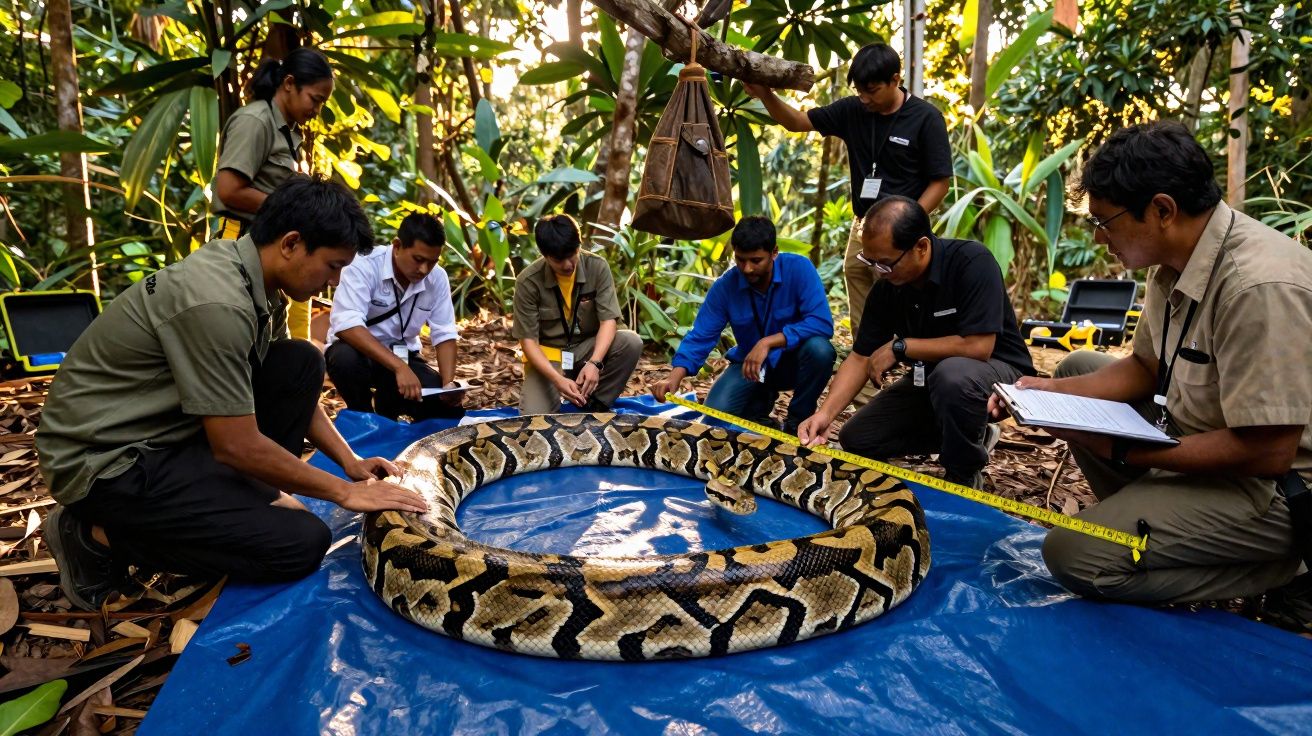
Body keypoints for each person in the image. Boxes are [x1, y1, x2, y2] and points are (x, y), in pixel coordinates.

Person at [37, 177, 428, 611]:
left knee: (300, 361)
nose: (334, 281)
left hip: (168, 433)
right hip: (106, 462)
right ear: (291, 243)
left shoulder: (255, 279)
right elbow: (235, 444)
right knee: (299, 543)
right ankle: (95, 537)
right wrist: (343, 492)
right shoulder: (218, 304)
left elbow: (285, 389)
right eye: (332, 266)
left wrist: (349, 463)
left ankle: (237, 498)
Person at [985, 121, 1312, 617]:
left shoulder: (1257, 287)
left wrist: (1124, 451)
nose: (1100, 237)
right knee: (1076, 369)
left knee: (1074, 554)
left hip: (1281, 488)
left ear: (1162, 210)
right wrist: (1044, 389)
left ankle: (1292, 570)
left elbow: (1268, 450)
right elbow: (1144, 366)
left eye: (1105, 221)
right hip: (1206, 439)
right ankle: (1160, 521)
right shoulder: (1174, 262)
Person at [797, 196, 1034, 488]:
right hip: (935, 380)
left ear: (921, 247)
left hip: (997, 373)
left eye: (885, 264)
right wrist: (824, 415)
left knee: (953, 376)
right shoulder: (888, 288)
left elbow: (978, 347)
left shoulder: (971, 263)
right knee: (858, 438)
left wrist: (902, 347)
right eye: (870, 262)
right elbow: (860, 358)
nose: (877, 272)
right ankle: (972, 430)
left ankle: (963, 474)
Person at [744, 42, 952, 338]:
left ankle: (912, 369)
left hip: (903, 236)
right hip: (863, 227)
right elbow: (796, 122)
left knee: (908, 303)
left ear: (895, 79)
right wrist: (765, 93)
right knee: (860, 295)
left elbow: (940, 182)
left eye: (872, 90)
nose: (864, 98)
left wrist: (909, 226)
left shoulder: (926, 119)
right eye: (859, 91)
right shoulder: (852, 111)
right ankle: (866, 371)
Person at [650, 216, 835, 434]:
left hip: (793, 363)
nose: (747, 269)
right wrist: (675, 377)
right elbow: (701, 335)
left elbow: (821, 322)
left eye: (756, 260)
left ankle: (798, 424)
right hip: (750, 366)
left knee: (820, 350)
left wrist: (768, 343)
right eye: (740, 259)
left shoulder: (799, 269)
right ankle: (758, 415)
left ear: (774, 252)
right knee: (715, 418)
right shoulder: (725, 286)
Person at [212, 47, 335, 341]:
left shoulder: (290, 132)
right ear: (289, 83)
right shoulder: (255, 121)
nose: (316, 110)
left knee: (273, 338)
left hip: (271, 246)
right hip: (240, 239)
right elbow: (229, 190)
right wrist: (288, 209)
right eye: (315, 100)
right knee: (239, 331)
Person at [325, 212, 465, 422]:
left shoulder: (437, 278)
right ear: (397, 246)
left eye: (432, 262)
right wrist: (399, 367)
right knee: (345, 359)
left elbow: (444, 333)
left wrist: (448, 385)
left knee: (446, 408)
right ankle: (364, 417)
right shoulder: (364, 264)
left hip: (403, 354)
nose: (424, 269)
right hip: (360, 353)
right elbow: (346, 324)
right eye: (418, 260)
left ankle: (388, 410)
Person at [512, 214, 641, 414]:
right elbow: (528, 342)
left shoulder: (596, 267)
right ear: (545, 255)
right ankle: (558, 390)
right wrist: (557, 380)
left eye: (573, 253)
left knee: (631, 342)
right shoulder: (528, 282)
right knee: (534, 419)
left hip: (585, 349)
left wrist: (595, 363)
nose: (568, 264)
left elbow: (608, 321)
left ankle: (595, 403)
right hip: (549, 356)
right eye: (558, 259)